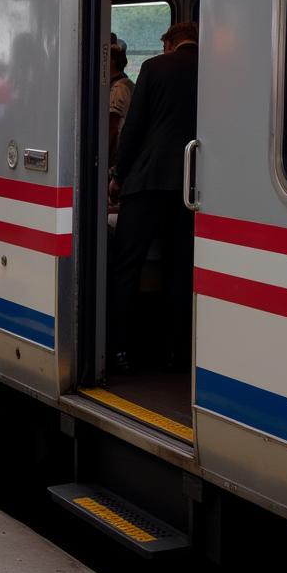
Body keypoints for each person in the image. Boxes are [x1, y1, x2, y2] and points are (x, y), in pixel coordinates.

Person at [108, 22, 199, 372]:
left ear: (168, 43)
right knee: (180, 269)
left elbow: (134, 128)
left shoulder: (155, 67)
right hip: (191, 187)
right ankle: (176, 353)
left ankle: (120, 349)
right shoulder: (212, 69)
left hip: (147, 181)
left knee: (127, 264)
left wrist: (119, 174)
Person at [108, 41, 135, 161]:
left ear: (112, 61)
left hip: (117, 149)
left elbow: (113, 124)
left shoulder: (118, 88)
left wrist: (106, 154)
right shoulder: (128, 83)